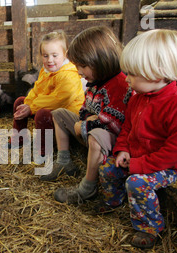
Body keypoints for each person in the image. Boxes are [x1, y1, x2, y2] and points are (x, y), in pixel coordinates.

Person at [98, 29, 177, 249]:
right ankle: (113, 201)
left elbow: (176, 151)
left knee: (137, 183)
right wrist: (122, 149)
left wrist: (139, 166)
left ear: (157, 73)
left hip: (163, 167)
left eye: (133, 74)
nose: (128, 79)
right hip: (135, 159)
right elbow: (127, 128)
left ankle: (149, 227)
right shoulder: (137, 99)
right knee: (107, 167)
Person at [44, 26, 133, 205]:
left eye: (83, 66)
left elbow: (113, 122)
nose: (78, 71)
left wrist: (84, 125)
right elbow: (85, 108)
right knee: (59, 114)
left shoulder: (119, 84)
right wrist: (84, 120)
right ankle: (64, 161)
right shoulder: (95, 82)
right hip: (89, 128)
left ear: (100, 60)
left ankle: (88, 187)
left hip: (110, 141)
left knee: (95, 135)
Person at [8, 30, 85, 164]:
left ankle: (44, 150)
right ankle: (19, 137)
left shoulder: (69, 75)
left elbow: (58, 100)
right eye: (45, 55)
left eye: (55, 55)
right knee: (20, 101)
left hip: (67, 116)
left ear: (65, 54)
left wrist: (31, 108)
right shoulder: (46, 70)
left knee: (42, 114)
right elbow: (36, 90)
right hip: (48, 107)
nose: (50, 60)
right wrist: (27, 103)